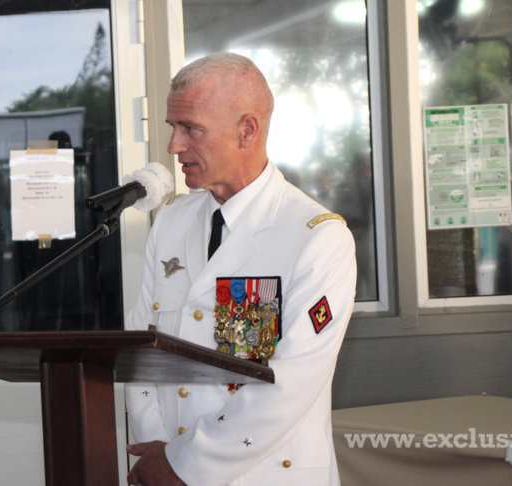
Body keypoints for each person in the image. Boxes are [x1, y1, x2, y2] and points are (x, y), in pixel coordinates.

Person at [124, 53, 357, 485]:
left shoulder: (314, 237)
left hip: (261, 474)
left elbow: (288, 383)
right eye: (172, 128)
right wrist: (157, 449)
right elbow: (141, 350)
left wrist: (185, 464)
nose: (174, 146)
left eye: (190, 128)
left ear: (246, 130)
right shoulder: (172, 219)